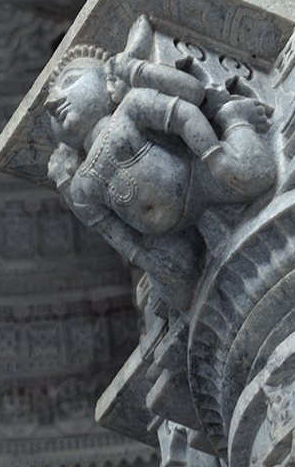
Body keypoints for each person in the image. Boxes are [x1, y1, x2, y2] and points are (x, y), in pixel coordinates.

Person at [44, 17, 274, 306]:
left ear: (109, 83)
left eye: (69, 82)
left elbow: (188, 103)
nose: (53, 102)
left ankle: (233, 119)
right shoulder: (80, 184)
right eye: (51, 99)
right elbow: (110, 229)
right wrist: (145, 259)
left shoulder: (128, 108)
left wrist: (215, 157)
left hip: (199, 178)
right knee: (178, 294)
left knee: (258, 174)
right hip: (167, 237)